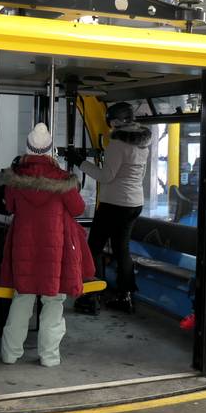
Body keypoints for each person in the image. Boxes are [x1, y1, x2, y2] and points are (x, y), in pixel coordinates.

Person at [0, 123, 94, 367]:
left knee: (22, 299)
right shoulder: (63, 180)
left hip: (23, 247)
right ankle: (49, 357)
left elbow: (10, 206)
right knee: (53, 301)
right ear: (51, 151)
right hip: (55, 249)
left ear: (27, 149)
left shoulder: (15, 179)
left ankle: (10, 354)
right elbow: (78, 209)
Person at [65, 101, 151, 314]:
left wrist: (79, 162)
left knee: (94, 247)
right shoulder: (142, 144)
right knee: (122, 249)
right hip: (134, 203)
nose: (109, 124)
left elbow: (106, 176)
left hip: (115, 203)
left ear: (116, 121)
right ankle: (125, 296)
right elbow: (138, 175)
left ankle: (92, 295)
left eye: (110, 120)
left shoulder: (118, 144)